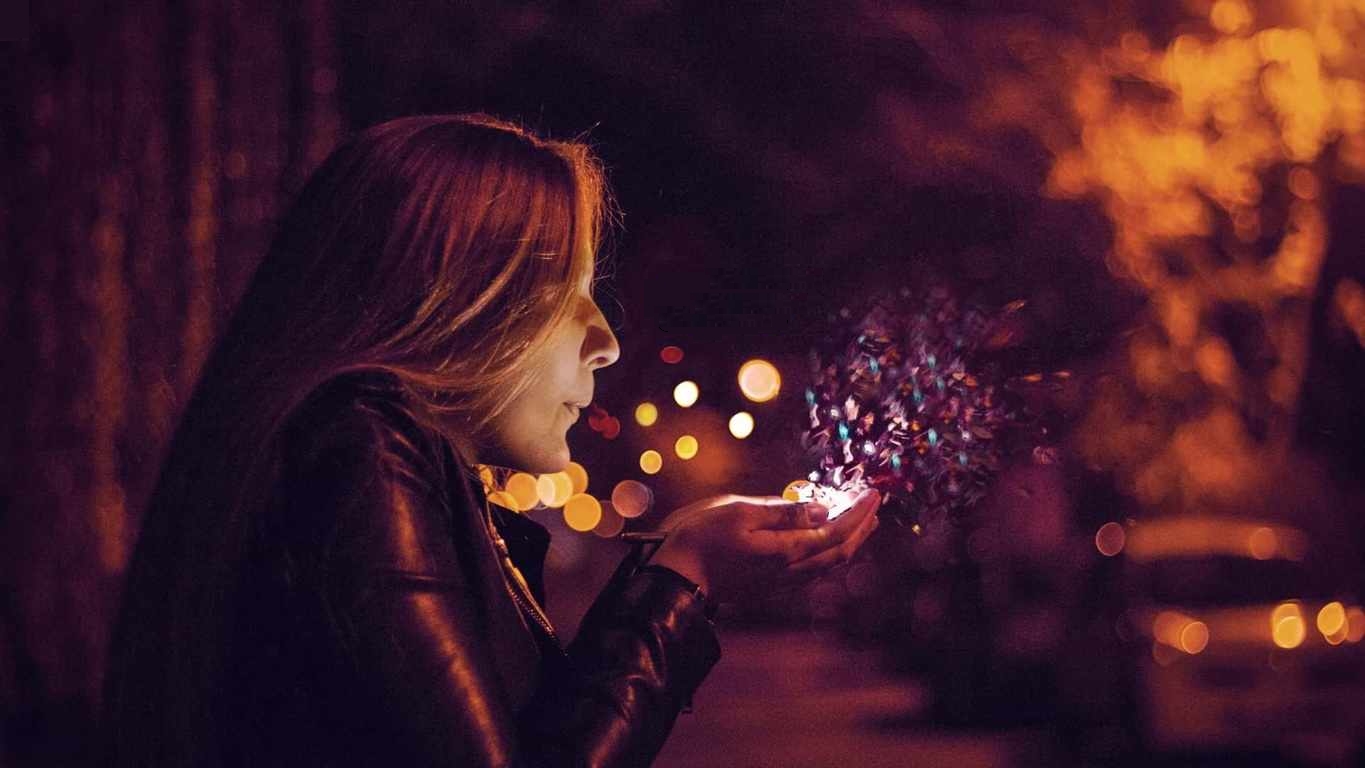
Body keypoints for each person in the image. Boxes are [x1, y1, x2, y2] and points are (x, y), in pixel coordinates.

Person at [100, 114, 881, 767]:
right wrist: (684, 577)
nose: (604, 340)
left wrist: (679, 560)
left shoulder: (372, 461)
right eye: (566, 294)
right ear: (453, 299)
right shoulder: (358, 449)